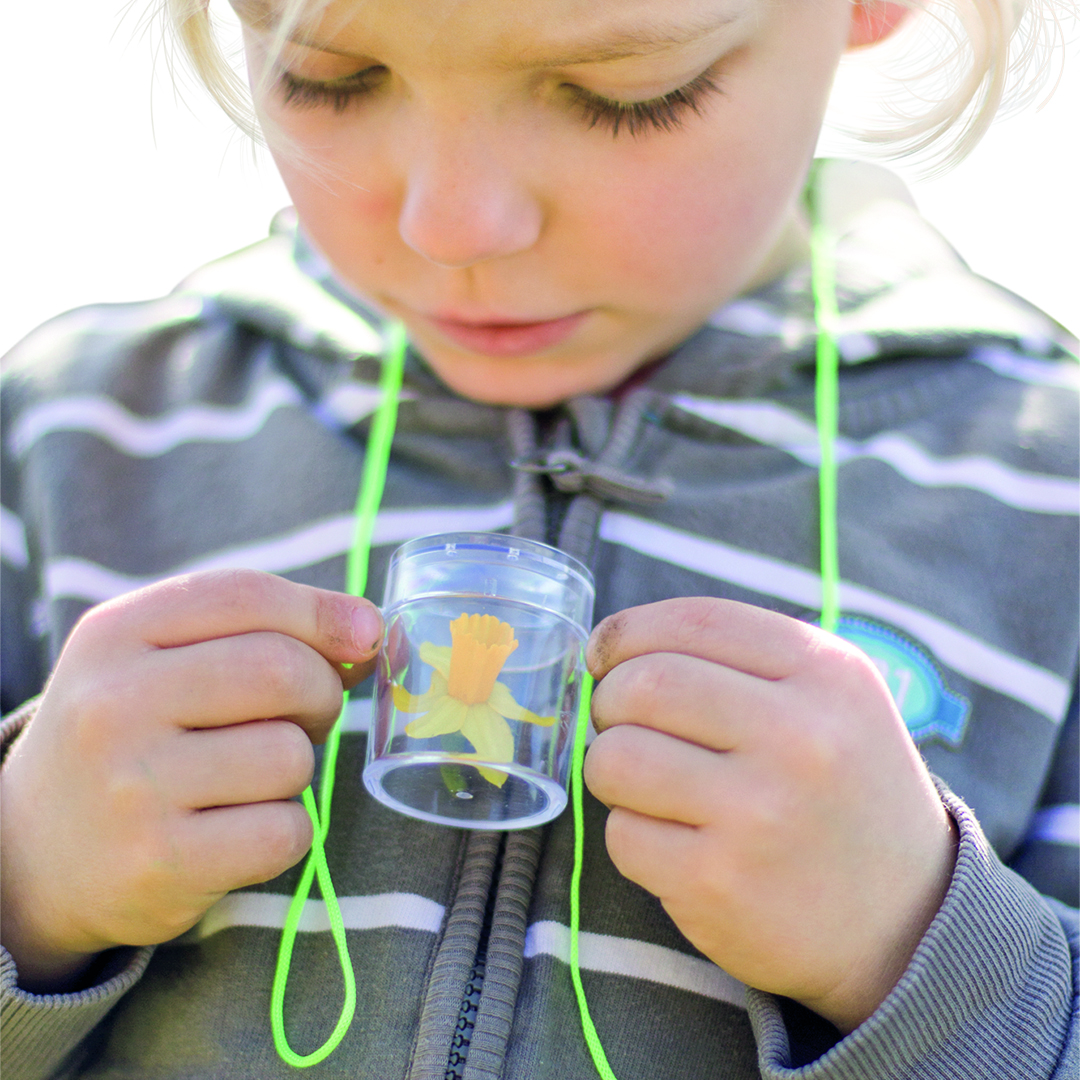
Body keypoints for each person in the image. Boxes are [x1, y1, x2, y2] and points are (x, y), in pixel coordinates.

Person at [1, 0, 1077, 1076]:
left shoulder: (1047, 492)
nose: (452, 224)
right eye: (329, 76)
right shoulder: (75, 438)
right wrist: (25, 884)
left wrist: (920, 949)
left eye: (625, 95)